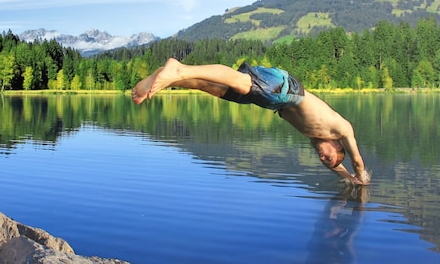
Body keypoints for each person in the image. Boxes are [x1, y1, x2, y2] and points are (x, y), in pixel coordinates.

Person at [131, 58, 370, 185]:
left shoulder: (315, 136)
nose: (322, 157)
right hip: (286, 89)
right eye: (329, 157)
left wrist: (347, 179)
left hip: (274, 101)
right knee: (237, 80)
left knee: (217, 90)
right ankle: (180, 69)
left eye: (324, 161)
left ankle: (172, 76)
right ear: (338, 145)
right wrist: (361, 178)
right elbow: (357, 160)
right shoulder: (342, 128)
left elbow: (338, 167)